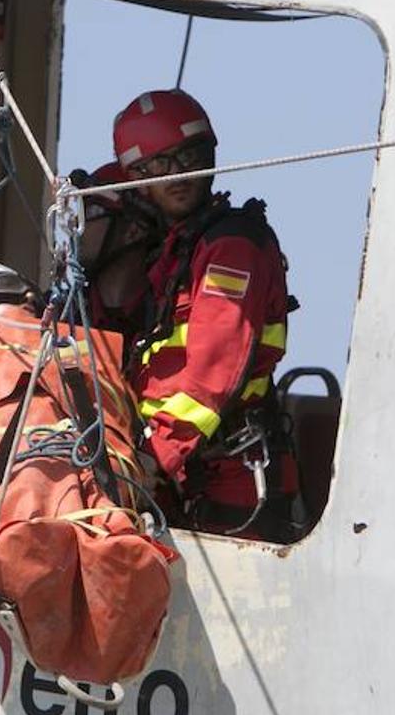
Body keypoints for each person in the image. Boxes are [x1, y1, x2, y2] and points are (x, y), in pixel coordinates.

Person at [110, 89, 299, 537]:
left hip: (234, 480)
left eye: (189, 156)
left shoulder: (231, 246)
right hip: (187, 474)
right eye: (159, 164)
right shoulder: (178, 247)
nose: (178, 174)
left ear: (210, 155)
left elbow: (216, 368)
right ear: (136, 177)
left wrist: (154, 457)